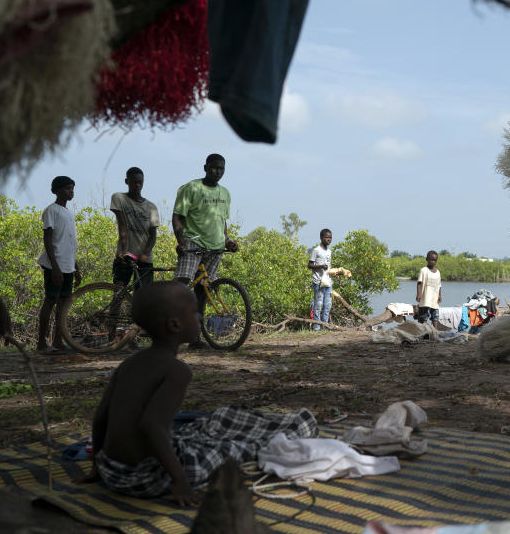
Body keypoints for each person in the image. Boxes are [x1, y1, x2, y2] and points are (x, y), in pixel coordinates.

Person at [89, 282, 318, 504]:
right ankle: (289, 432)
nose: (200, 316)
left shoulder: (129, 363)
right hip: (147, 478)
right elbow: (151, 426)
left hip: (110, 470)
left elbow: (100, 418)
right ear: (174, 325)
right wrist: (179, 480)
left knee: (205, 428)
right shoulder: (176, 370)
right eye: (194, 312)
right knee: (231, 449)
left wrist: (96, 467)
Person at [172, 154, 238, 349]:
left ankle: (195, 338)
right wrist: (180, 241)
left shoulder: (225, 193)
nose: (218, 172)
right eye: (214, 168)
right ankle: (169, 328)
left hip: (215, 248)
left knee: (203, 291)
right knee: (182, 286)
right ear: (205, 168)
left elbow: (222, 222)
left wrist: (227, 241)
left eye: (221, 169)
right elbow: (177, 217)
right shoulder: (191, 188)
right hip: (193, 243)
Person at [36, 176, 81, 354]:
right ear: (56, 191)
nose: (71, 191)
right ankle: (41, 343)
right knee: (51, 300)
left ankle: (58, 341)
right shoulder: (51, 210)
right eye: (68, 188)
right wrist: (54, 267)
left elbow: (70, 244)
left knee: (63, 303)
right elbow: (48, 239)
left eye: (72, 188)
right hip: (54, 264)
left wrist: (76, 268)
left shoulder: (69, 213)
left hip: (68, 264)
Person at [110, 167, 159, 290]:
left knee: (142, 296)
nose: (137, 185)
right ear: (127, 182)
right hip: (125, 255)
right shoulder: (119, 198)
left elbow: (153, 235)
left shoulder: (151, 207)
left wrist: (145, 254)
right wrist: (123, 250)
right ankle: (113, 310)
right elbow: (123, 225)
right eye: (134, 182)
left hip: (145, 259)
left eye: (140, 182)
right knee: (119, 291)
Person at [308, 229, 333, 329]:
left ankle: (325, 326)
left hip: (328, 282)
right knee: (318, 305)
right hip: (318, 282)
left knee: (327, 305)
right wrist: (321, 266)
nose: (329, 239)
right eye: (326, 237)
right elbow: (309, 265)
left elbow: (329, 268)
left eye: (330, 237)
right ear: (321, 238)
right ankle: (316, 327)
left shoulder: (329, 252)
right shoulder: (316, 250)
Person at [416, 251, 441, 324]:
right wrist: (418, 294)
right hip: (425, 299)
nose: (433, 262)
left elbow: (439, 285)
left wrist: (439, 296)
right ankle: (424, 333)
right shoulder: (424, 270)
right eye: (431, 260)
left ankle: (435, 333)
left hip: (434, 299)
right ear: (426, 259)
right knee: (424, 316)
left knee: (435, 317)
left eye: (435, 260)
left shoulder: (438, 272)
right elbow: (419, 283)